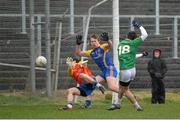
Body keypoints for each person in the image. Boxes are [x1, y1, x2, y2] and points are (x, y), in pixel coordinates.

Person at [75, 33, 121, 110]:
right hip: (104, 72)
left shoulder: (103, 47)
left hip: (110, 69)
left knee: (111, 87)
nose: (93, 43)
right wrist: (78, 44)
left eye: (94, 41)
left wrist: (108, 39)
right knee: (90, 83)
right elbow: (78, 53)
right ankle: (87, 104)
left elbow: (110, 45)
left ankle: (128, 94)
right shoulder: (91, 52)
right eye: (91, 41)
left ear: (98, 41)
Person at [116, 20, 148, 111]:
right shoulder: (134, 43)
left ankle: (134, 105)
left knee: (123, 89)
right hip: (133, 70)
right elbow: (145, 34)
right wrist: (139, 26)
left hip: (124, 70)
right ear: (135, 39)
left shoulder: (120, 44)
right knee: (123, 88)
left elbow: (126, 55)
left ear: (126, 36)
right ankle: (120, 103)